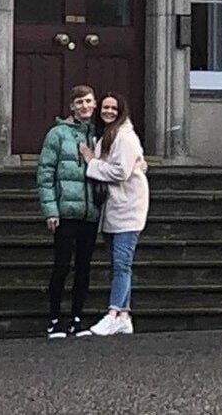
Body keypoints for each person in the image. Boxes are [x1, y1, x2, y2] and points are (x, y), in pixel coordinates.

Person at [79, 93, 149, 336]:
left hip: (128, 208)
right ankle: (124, 315)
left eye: (113, 108)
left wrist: (91, 163)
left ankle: (113, 313)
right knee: (119, 264)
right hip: (114, 208)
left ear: (122, 111)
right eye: (105, 107)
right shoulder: (109, 136)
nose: (108, 111)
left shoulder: (125, 137)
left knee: (122, 264)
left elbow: (120, 172)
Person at [36, 85, 101, 338]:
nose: (84, 106)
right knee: (62, 265)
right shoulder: (57, 134)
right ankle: (54, 318)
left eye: (88, 101)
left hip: (90, 212)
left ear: (94, 104)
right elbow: (45, 173)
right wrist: (50, 209)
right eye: (79, 102)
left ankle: (76, 317)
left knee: (84, 266)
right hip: (65, 211)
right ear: (72, 107)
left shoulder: (97, 134)